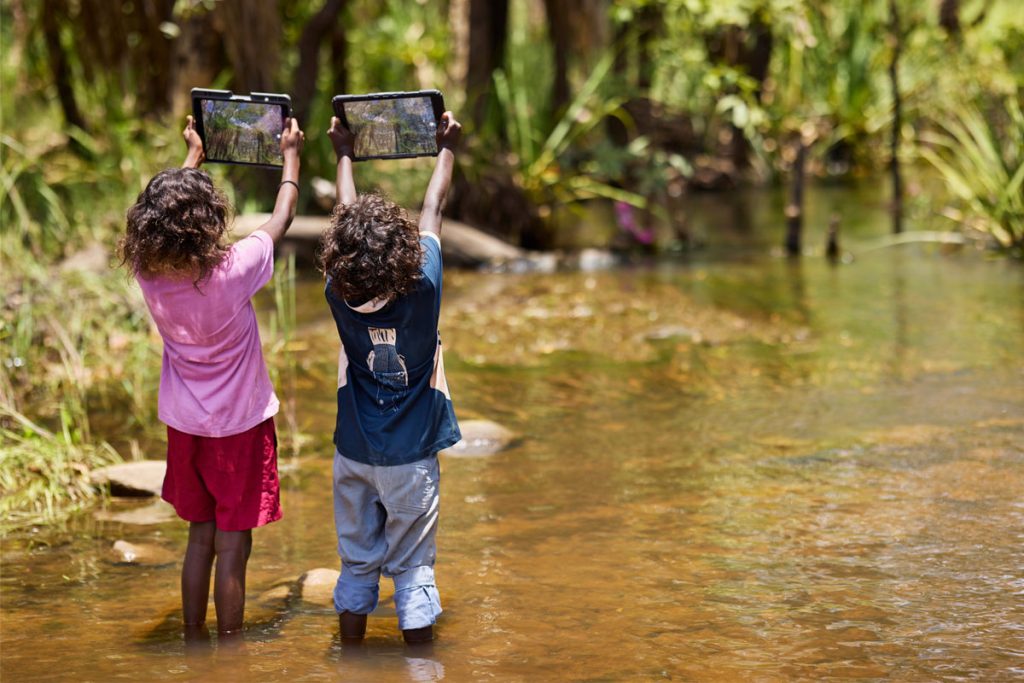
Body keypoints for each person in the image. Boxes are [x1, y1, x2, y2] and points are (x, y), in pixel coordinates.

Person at [119, 115, 305, 639]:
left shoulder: (148, 272)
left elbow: (166, 224)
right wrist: (290, 155)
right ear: (209, 221)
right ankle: (230, 651)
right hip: (240, 428)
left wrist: (192, 157)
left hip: (186, 427)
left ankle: (194, 639)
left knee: (199, 538)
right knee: (233, 545)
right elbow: (281, 217)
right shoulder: (234, 269)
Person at [318, 111, 463, 644]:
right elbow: (434, 208)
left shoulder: (337, 289)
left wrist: (344, 153)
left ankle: (350, 661)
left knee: (357, 563)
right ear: (403, 252)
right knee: (413, 568)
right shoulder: (422, 287)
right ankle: (421, 666)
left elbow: (343, 214)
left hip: (353, 451)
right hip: (411, 458)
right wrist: (446, 147)